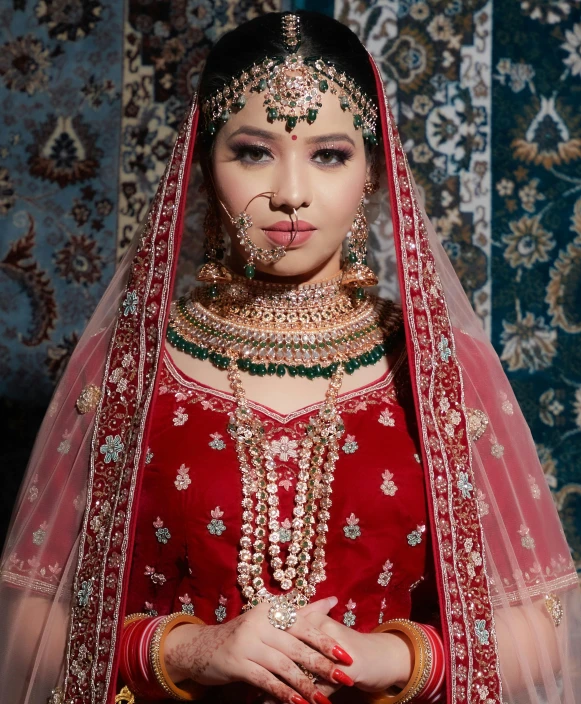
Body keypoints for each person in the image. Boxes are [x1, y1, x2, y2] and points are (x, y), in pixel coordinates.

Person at [0, 11, 579, 704]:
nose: (291, 193)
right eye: (253, 151)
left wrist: (389, 657)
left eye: (329, 155)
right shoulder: (128, 368)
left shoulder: (438, 370)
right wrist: (188, 648)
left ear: (372, 171)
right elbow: (25, 629)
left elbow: (544, 631)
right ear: (203, 166)